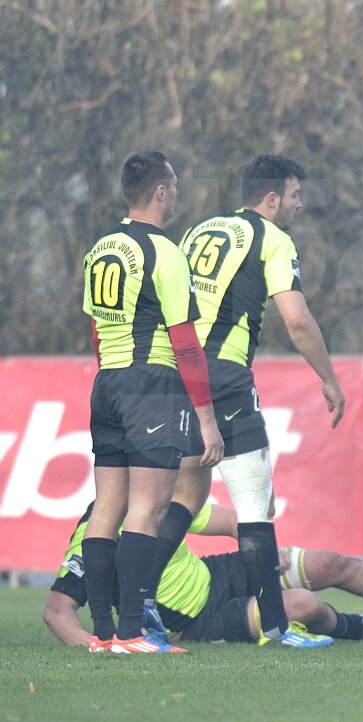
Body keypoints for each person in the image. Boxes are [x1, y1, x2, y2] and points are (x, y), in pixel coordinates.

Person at [170, 154, 345, 648]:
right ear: (271, 199)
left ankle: (137, 613)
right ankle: (275, 627)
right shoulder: (273, 239)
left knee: (180, 501)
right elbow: (297, 320)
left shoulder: (198, 231)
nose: (299, 204)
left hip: (175, 373)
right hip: (224, 377)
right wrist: (330, 380)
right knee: (253, 505)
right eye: (295, 195)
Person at [80, 150, 224, 654]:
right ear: (161, 191)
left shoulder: (101, 248)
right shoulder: (163, 250)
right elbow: (185, 342)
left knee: (107, 509)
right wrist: (207, 420)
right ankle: (132, 633)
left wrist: (113, 380)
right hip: (152, 385)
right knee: (148, 509)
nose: (177, 193)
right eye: (175, 186)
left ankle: (103, 634)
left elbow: (97, 330)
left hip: (108, 383)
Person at [44, 502, 363, 647]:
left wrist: (264, 552)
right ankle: (361, 627)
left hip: (216, 572)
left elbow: (234, 522)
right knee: (304, 606)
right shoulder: (93, 536)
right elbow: (57, 610)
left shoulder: (154, 497)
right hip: (196, 623)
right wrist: (97, 645)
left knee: (328, 563)